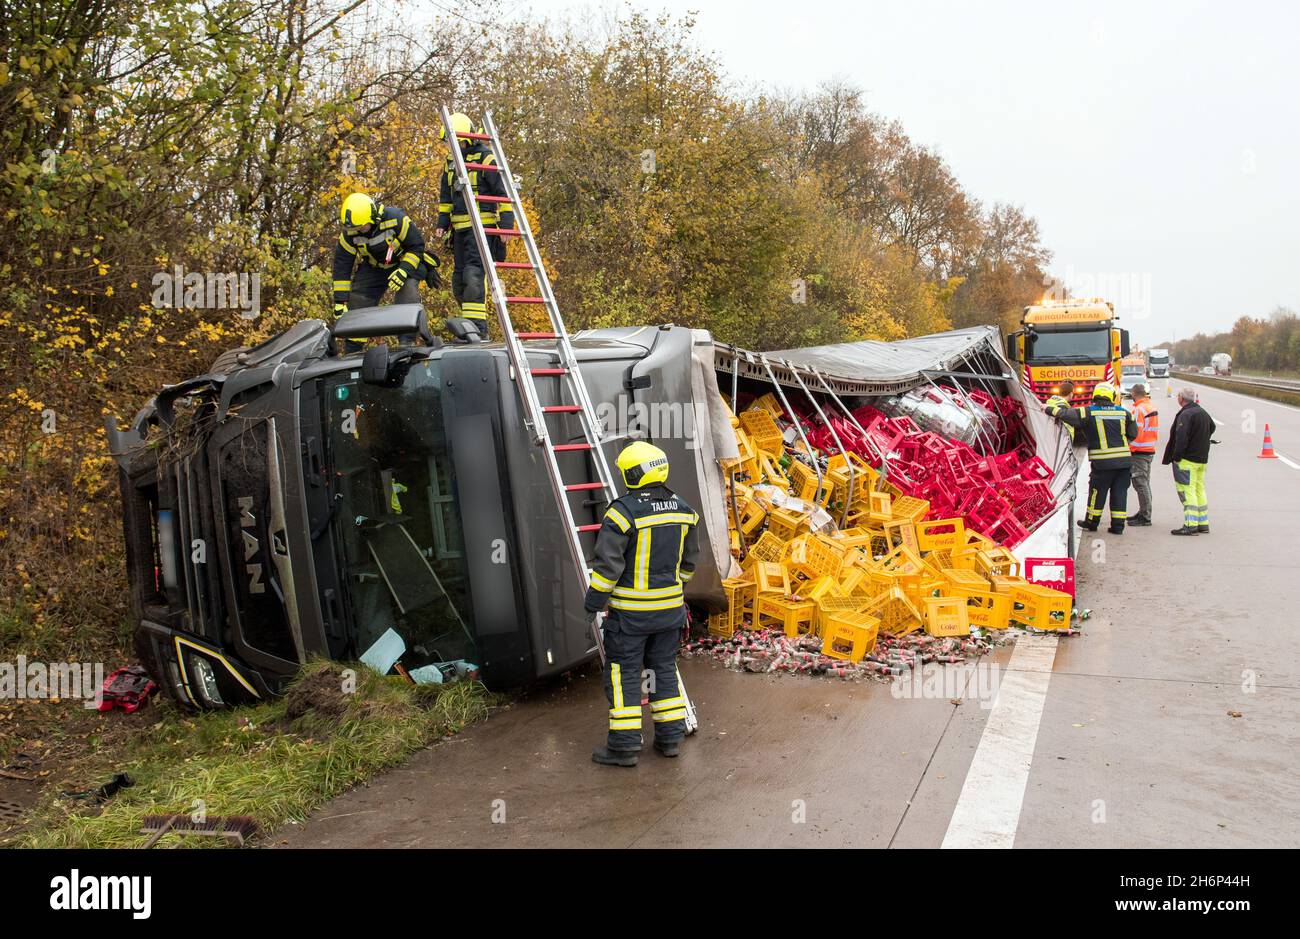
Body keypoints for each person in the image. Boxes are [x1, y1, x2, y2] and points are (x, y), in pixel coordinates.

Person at [584, 441, 700, 767]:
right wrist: (673, 588)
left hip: (630, 618)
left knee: (624, 675)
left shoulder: (621, 513)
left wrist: (593, 601)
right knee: (663, 670)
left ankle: (623, 747)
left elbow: (608, 568)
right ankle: (670, 739)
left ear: (633, 474)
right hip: (670, 613)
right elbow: (690, 563)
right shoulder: (684, 509)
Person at [436, 112, 515, 339]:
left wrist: (506, 225)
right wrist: (442, 223)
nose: (451, 148)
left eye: (454, 142)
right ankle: (469, 329)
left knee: (472, 277)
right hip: (460, 232)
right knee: (458, 282)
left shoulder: (485, 159)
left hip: (482, 232)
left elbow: (504, 194)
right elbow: (446, 197)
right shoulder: (451, 163)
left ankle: (478, 331)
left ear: (466, 139)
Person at [332, 193, 440, 316]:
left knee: (407, 296)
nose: (357, 231)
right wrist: (340, 301)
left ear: (372, 217)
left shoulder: (396, 219)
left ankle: (407, 334)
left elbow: (416, 246)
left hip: (402, 263)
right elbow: (342, 266)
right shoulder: (349, 233)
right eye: (354, 229)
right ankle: (355, 335)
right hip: (374, 267)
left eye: (361, 228)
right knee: (358, 301)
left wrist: (404, 271)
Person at [1053, 381, 1137, 534]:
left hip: (1103, 464)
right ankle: (1118, 527)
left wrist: (1047, 408)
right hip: (1124, 462)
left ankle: (1091, 522)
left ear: (1096, 395)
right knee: (1120, 493)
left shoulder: (1089, 412)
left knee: (1097, 493)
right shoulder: (1124, 412)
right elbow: (1133, 434)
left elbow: (1066, 415)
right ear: (1111, 396)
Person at [1163, 387, 1215, 536]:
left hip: (1187, 461)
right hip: (1202, 459)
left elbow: (1181, 438)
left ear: (1181, 398)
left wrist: (1177, 456)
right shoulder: (1202, 412)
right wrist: (1200, 440)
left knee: (1187, 491)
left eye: (1178, 396)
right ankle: (1202, 523)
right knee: (1199, 489)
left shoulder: (1186, 415)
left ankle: (1190, 525)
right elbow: (1212, 427)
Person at [1126, 383, 1159, 526]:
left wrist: (1128, 448)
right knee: (1144, 483)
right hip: (1148, 449)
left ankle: (1145, 516)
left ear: (1134, 394)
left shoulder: (1139, 410)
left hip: (1139, 451)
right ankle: (1144, 511)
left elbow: (1136, 433)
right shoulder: (1150, 406)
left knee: (1140, 484)